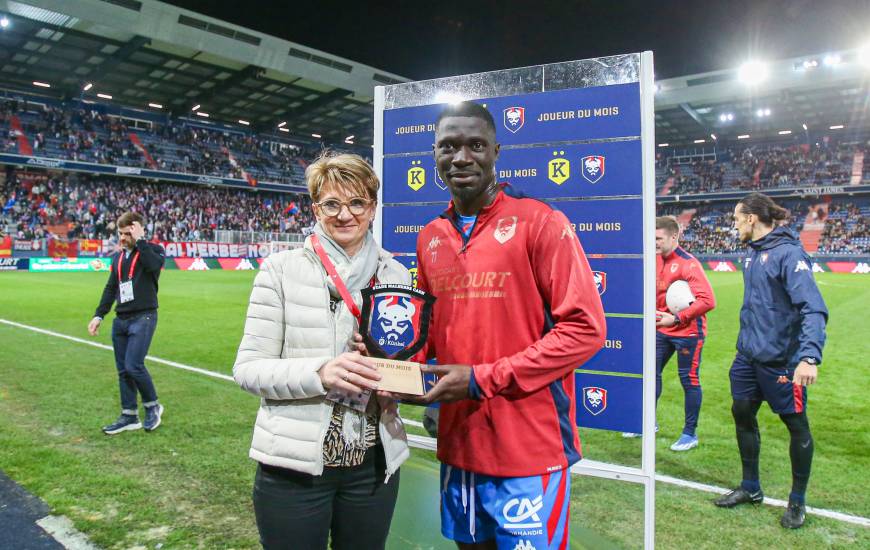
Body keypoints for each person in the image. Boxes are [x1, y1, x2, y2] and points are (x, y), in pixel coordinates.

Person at [409, 102, 606, 549]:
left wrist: (483, 378)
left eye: (475, 145)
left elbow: (585, 328)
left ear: (496, 151)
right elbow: (428, 332)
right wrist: (390, 364)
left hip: (528, 448)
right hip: (459, 445)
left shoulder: (540, 222)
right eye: (448, 147)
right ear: (434, 154)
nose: (461, 158)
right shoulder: (430, 237)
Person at [233, 152, 411, 550]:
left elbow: (405, 363)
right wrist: (320, 373)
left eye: (357, 203)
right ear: (316, 209)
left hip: (373, 468)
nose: (344, 214)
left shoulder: (395, 274)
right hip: (294, 471)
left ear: (373, 208)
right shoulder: (279, 270)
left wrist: (396, 373)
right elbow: (247, 369)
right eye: (332, 204)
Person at [714, 193, 827, 529]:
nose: (734, 225)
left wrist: (808, 356)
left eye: (737, 218)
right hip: (747, 356)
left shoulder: (789, 254)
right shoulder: (750, 255)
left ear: (751, 218)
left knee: (796, 425)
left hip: (781, 361)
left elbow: (813, 308)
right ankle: (750, 488)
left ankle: (797, 502)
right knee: (742, 412)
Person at [622, 216, 716, 450]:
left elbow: (708, 301)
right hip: (661, 330)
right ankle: (648, 422)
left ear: (674, 237)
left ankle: (689, 434)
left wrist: (676, 318)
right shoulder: (652, 259)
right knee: (650, 375)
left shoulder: (688, 263)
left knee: (689, 380)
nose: (654, 242)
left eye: (658, 238)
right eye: (652, 238)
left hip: (688, 332)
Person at [88, 212, 166, 434]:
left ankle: (153, 406)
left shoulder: (153, 251)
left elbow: (153, 267)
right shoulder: (118, 258)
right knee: (123, 371)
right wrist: (98, 315)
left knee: (134, 366)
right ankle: (129, 415)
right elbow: (111, 288)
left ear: (138, 230)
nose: (122, 238)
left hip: (144, 317)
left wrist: (141, 241)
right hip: (120, 320)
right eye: (120, 234)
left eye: (126, 233)